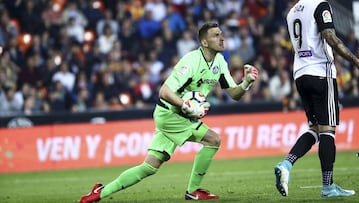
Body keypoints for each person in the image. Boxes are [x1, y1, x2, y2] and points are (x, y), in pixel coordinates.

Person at [79, 22, 258, 203]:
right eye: (216, 35)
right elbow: (164, 91)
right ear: (204, 42)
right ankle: (193, 191)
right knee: (213, 139)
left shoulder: (219, 62)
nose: (222, 38)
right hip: (170, 114)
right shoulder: (191, 61)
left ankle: (100, 192)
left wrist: (246, 83)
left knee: (149, 167)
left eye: (221, 34)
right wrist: (186, 106)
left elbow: (234, 94)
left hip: (178, 115)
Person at [274, 0, 359, 198]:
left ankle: (286, 164)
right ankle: (328, 186)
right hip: (321, 71)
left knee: (314, 129)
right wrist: (355, 60)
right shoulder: (320, 5)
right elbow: (330, 36)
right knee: (328, 130)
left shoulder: (291, 12)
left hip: (300, 74)